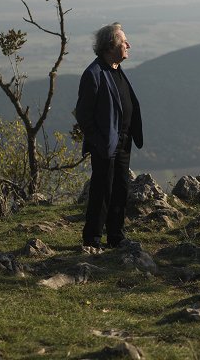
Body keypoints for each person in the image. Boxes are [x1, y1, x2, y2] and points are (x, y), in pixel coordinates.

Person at [75, 22, 143, 250]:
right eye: (124, 42)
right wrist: (99, 141)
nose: (128, 45)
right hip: (106, 144)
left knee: (120, 189)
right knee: (102, 191)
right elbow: (84, 115)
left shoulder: (116, 70)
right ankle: (92, 238)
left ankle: (116, 236)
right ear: (110, 46)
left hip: (123, 142)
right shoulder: (94, 74)